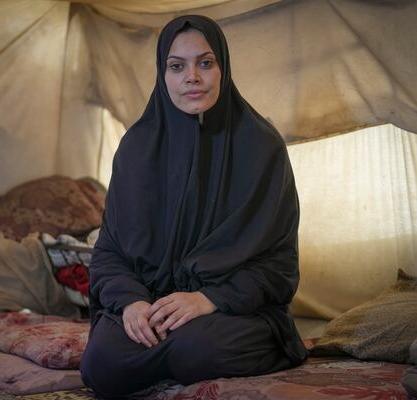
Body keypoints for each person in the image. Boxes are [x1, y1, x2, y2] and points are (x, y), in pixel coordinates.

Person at [80, 14, 307, 399]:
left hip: (229, 309)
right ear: (162, 74)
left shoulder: (261, 148)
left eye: (205, 63)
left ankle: (176, 354)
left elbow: (279, 266)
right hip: (153, 302)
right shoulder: (136, 149)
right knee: (100, 363)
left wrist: (207, 299)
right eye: (176, 66)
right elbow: (109, 251)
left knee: (196, 348)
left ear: (223, 68)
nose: (192, 77)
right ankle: (167, 351)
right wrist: (132, 303)